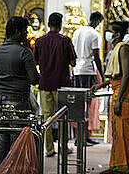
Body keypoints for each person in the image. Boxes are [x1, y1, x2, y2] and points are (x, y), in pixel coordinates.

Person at [92, 21, 129, 173]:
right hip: (118, 90)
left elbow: (126, 75)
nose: (107, 34)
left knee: (127, 130)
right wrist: (101, 85)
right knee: (119, 131)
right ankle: (122, 164)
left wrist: (119, 100)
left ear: (116, 35)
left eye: (109, 31)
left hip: (124, 93)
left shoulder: (123, 49)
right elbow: (115, 75)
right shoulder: (116, 48)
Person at [0, 16, 39, 168]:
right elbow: (33, 79)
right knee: (18, 140)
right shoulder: (25, 52)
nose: (27, 33)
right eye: (24, 30)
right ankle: (15, 169)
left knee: (2, 139)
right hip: (18, 101)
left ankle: (0, 169)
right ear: (17, 32)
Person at [34, 12, 76, 157]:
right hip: (62, 85)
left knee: (47, 118)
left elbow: (35, 61)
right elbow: (73, 62)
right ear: (60, 25)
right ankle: (64, 147)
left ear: (48, 24)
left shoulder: (39, 41)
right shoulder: (65, 41)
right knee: (64, 117)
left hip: (45, 84)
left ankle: (49, 149)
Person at [72, 11, 105, 145]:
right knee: (88, 106)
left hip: (77, 71)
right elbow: (96, 56)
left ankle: (79, 137)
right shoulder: (94, 34)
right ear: (97, 21)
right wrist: (102, 75)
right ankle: (83, 138)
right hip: (88, 71)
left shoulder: (77, 32)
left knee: (79, 105)